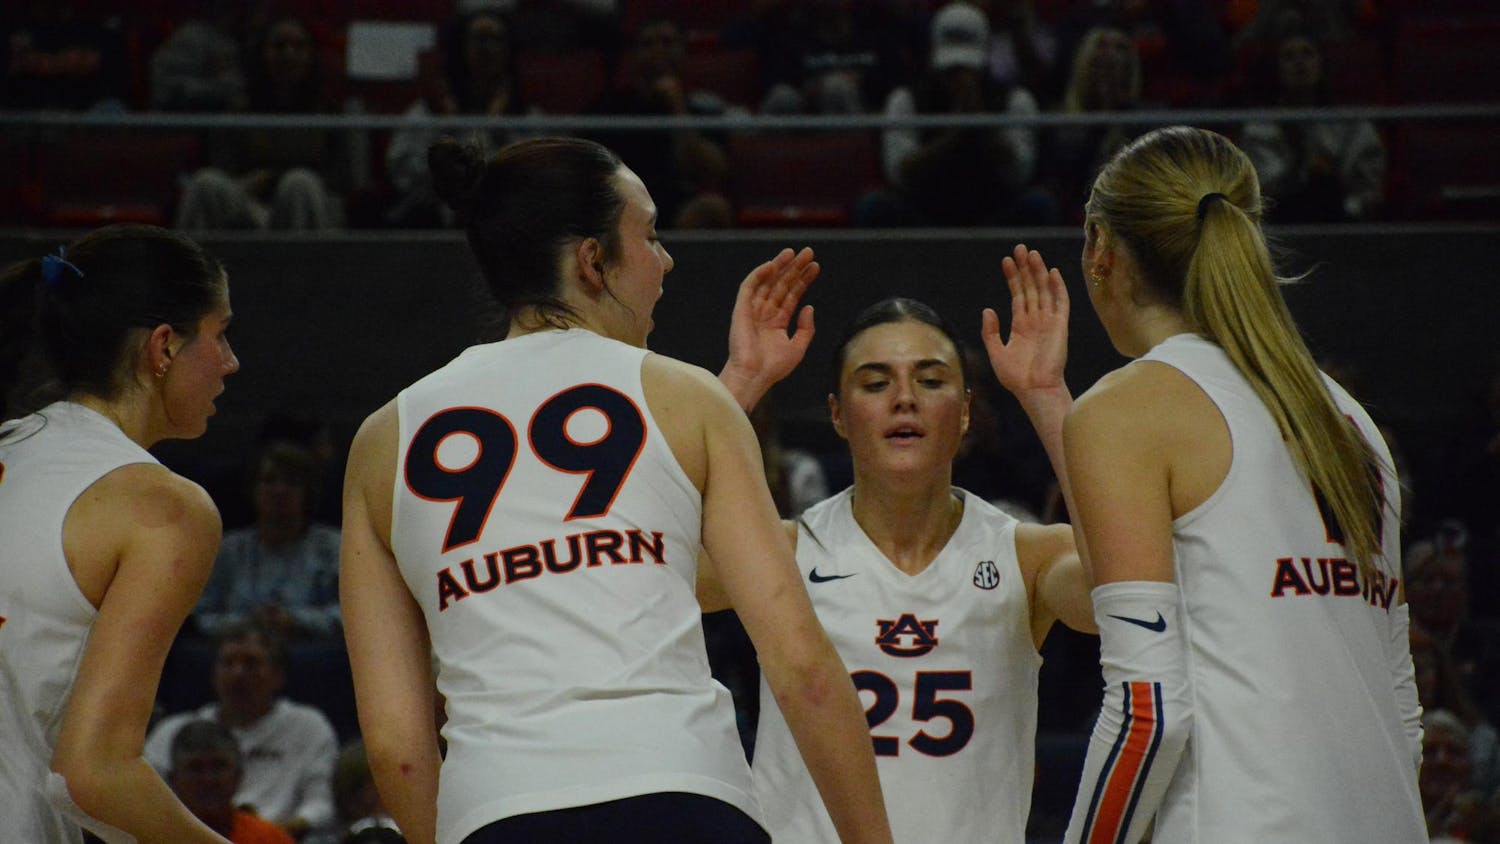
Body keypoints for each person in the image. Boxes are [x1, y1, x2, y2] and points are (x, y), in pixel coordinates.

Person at [338, 136, 892, 844]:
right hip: (685, 796)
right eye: (651, 235)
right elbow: (801, 667)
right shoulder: (687, 397)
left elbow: (395, 745)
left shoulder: (383, 442)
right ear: (592, 262)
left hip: (499, 811)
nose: (666, 261)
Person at [1043, 125, 1425, 842]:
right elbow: (1401, 702)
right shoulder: (1351, 419)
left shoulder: (1128, 407)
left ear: (1100, 250)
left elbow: (1149, 709)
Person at [698, 290, 1095, 843]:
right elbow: (649, 563)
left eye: (931, 381)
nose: (904, 398)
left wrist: (1046, 395)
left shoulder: (1025, 556)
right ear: (838, 414)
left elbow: (1123, 596)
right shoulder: (783, 553)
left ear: (964, 414)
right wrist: (740, 381)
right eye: (876, 383)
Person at [0, 223, 239, 842]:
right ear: (162, 348)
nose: (232, 363)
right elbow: (91, 774)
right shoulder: (163, 508)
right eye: (220, 333)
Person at [857, 1, 1053, 227]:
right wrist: (954, 134)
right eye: (951, 70)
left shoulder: (1014, 99)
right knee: (874, 206)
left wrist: (980, 124)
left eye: (967, 68)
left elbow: (1020, 172)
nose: (959, 78)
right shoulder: (906, 99)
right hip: (926, 208)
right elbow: (899, 174)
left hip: (992, 208)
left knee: (1039, 205)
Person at [146, 623, 339, 840]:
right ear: (213, 674)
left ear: (278, 676)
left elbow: (321, 806)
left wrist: (265, 836)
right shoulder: (171, 731)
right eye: (228, 663)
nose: (238, 673)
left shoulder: (308, 725)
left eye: (251, 663)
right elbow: (145, 801)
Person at [195, 441, 342, 640]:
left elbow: (355, 614)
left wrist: (296, 620)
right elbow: (200, 617)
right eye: (269, 480)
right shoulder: (226, 549)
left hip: (313, 657)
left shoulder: (336, 547)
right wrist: (248, 622)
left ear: (308, 492)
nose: (279, 490)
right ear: (253, 490)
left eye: (291, 481)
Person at [167, 719, 296, 844]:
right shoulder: (151, 835)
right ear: (173, 780)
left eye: (219, 766)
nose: (209, 779)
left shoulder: (271, 839)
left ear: (238, 776)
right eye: (195, 768)